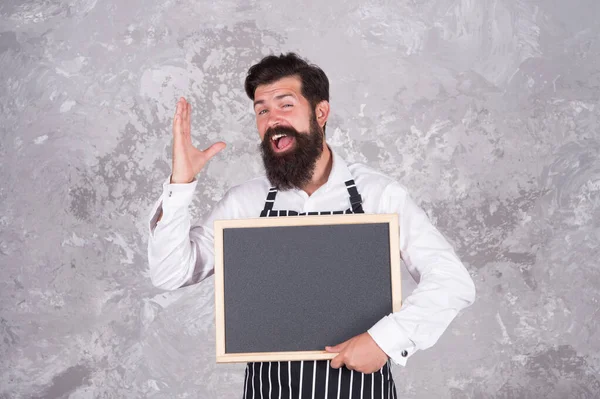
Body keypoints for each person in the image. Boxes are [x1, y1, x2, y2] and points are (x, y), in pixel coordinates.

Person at [147, 53, 476, 399]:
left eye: (285, 105)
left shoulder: (379, 195)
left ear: (321, 112)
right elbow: (170, 272)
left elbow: (452, 281)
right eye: (262, 111)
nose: (272, 119)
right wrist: (180, 183)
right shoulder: (245, 203)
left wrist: (385, 340)